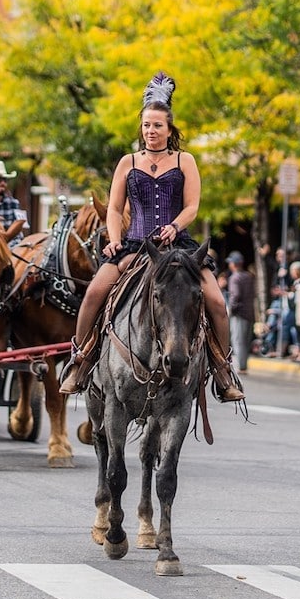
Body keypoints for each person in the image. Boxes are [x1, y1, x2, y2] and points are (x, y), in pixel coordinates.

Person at [57, 72, 243, 401]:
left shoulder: (185, 160)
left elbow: (192, 206)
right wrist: (114, 238)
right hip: (134, 245)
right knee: (94, 293)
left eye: (157, 125)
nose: (151, 132)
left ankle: (222, 370)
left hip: (179, 249)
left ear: (170, 130)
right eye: (146, 126)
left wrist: (175, 225)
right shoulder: (127, 162)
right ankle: (81, 360)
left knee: (215, 301)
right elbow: (114, 209)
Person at [225, 251, 255, 373]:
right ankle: (244, 364)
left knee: (238, 340)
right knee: (246, 341)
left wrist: (231, 308)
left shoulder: (234, 278)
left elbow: (235, 295)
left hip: (239, 313)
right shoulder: (249, 276)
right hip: (249, 312)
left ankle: (241, 366)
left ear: (234, 264)